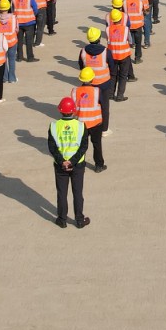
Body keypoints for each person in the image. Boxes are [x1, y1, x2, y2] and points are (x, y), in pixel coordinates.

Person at [49, 96, 91, 228]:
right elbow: (83, 146)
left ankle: (62, 219)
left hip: (60, 166)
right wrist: (72, 161)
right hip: (77, 165)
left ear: (60, 111)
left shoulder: (54, 126)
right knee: (77, 192)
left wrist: (62, 161)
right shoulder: (81, 126)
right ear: (73, 111)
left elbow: (52, 147)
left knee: (62, 193)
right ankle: (79, 219)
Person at [72, 67, 107, 172]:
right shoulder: (96, 91)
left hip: (81, 123)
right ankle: (99, 165)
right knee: (97, 144)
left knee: (81, 145)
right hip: (95, 123)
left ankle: (79, 164)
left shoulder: (75, 91)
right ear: (92, 79)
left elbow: (73, 108)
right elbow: (103, 105)